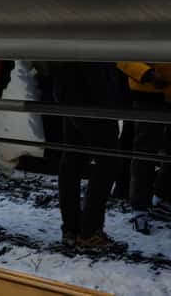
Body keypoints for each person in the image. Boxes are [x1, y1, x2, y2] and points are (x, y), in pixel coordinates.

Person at [49, 61, 127, 252]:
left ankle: (72, 229)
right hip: (94, 88)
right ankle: (89, 231)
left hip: (70, 84)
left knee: (73, 159)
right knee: (108, 159)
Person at [116, 61, 171, 233]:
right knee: (145, 151)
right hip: (149, 91)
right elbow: (124, 54)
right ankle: (140, 206)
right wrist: (147, 74)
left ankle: (163, 197)